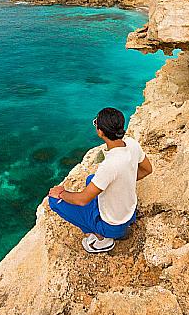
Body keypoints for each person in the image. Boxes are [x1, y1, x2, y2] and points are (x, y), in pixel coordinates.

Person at [47, 107, 153, 253]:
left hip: (112, 225)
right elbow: (148, 169)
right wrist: (124, 180)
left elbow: (82, 200)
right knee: (91, 179)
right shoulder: (132, 144)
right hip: (129, 212)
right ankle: (112, 229)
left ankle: (102, 239)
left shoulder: (109, 165)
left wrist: (61, 193)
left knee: (54, 202)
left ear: (100, 132)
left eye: (96, 123)